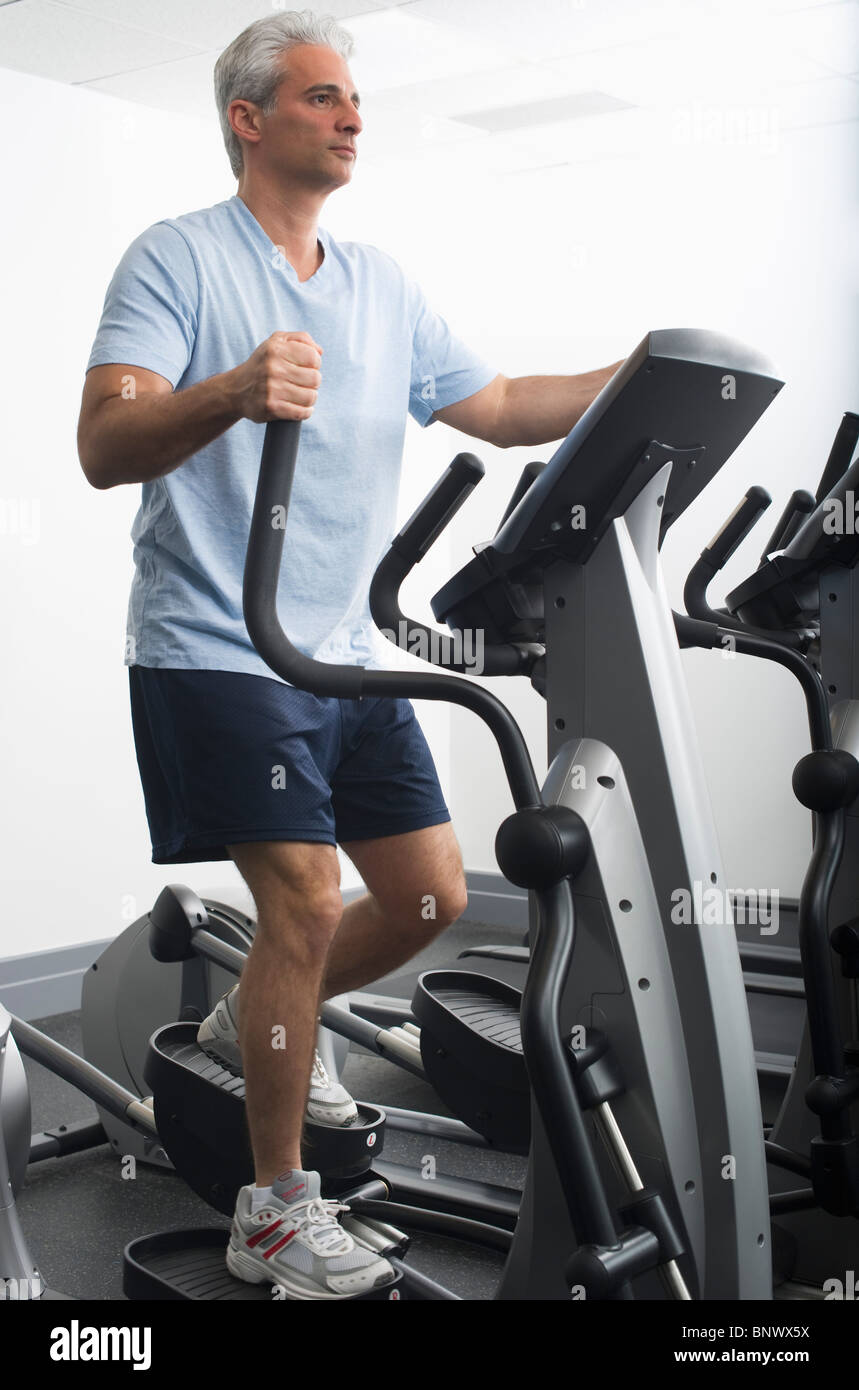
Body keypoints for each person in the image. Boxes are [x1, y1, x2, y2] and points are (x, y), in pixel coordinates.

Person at [77, 9, 621, 1300]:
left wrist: (639, 373)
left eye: (356, 102)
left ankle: (254, 1017)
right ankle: (270, 1215)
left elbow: (493, 407)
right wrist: (230, 389)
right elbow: (105, 443)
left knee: (433, 894)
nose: (353, 116)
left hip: (339, 650)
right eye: (325, 98)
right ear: (249, 120)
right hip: (219, 640)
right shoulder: (178, 261)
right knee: (305, 904)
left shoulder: (380, 281)